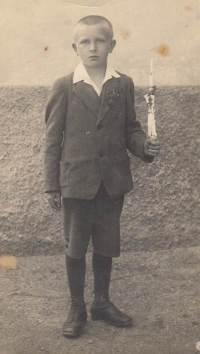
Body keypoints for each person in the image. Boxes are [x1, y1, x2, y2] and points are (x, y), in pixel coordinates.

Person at [44, 15, 160, 338]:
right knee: (76, 246)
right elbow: (52, 139)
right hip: (76, 183)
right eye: (85, 42)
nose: (92, 48)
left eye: (99, 41)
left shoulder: (122, 84)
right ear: (75, 47)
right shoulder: (65, 86)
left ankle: (102, 302)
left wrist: (145, 147)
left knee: (107, 243)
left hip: (112, 183)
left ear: (111, 45)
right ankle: (77, 306)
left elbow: (130, 129)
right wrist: (51, 185)